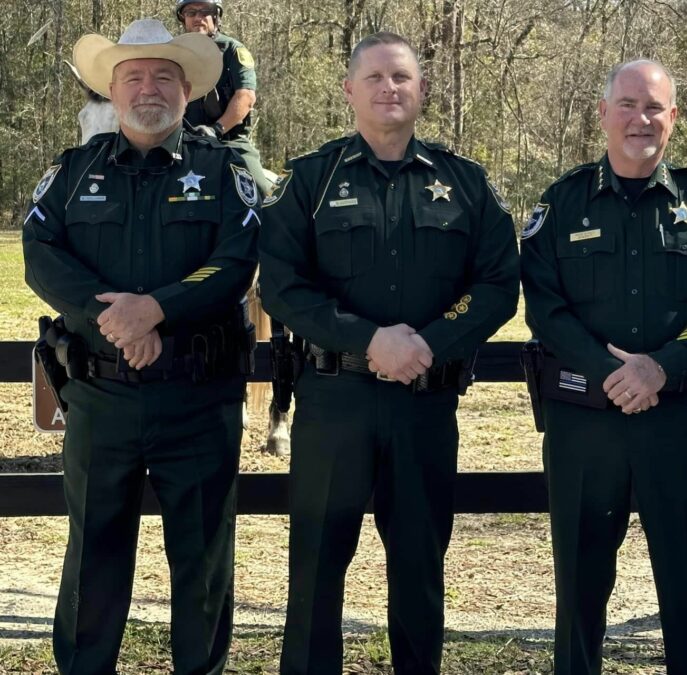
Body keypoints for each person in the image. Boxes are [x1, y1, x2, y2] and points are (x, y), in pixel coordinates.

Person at [258, 31, 519, 675]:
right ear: (350, 90)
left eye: (401, 77)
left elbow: (496, 286)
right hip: (333, 400)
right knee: (316, 563)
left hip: (424, 406)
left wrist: (429, 342)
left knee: (420, 565)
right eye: (374, 77)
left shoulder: (464, 183)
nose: (388, 88)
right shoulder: (310, 181)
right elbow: (283, 287)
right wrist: (367, 339)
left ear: (421, 89)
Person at [23, 18, 259, 675]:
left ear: (187, 91)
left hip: (200, 397)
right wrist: (116, 326)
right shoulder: (73, 172)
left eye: (163, 76)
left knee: (203, 560)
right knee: (93, 552)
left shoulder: (222, 170)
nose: (148, 88)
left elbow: (238, 258)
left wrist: (157, 308)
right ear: (113, 90)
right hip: (101, 399)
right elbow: (41, 258)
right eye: (134, 76)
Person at [520, 59, 687, 674]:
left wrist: (663, 367)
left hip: (677, 422)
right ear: (603, 114)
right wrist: (608, 369)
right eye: (627, 104)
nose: (640, 118)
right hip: (583, 426)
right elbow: (545, 305)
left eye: (654, 107)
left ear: (673, 118)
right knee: (578, 583)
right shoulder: (562, 202)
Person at [175, 0, 272, 194]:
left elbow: (245, 96)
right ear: (183, 19)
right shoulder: (174, 54)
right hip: (181, 142)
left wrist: (216, 130)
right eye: (191, 13)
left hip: (229, 140)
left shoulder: (233, 50)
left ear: (216, 16)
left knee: (262, 191)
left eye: (205, 12)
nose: (198, 18)